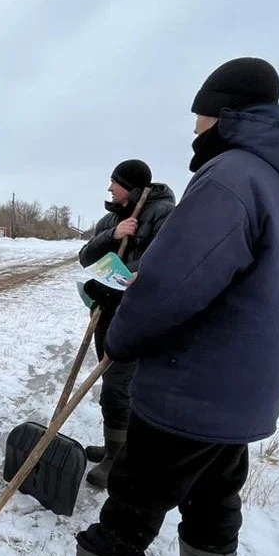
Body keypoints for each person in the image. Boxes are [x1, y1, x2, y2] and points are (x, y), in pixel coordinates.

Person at [15, 57, 279, 556]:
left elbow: (173, 282)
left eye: (201, 115)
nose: (195, 128)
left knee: (136, 492)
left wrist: (125, 333)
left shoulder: (232, 179)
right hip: (247, 385)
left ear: (226, 114)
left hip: (194, 384)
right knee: (214, 490)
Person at [77, 159, 175, 488]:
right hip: (106, 310)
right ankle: (113, 445)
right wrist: (113, 234)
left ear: (132, 189)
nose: (109, 188)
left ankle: (119, 458)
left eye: (114, 183)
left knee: (118, 385)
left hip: (136, 314)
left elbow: (165, 261)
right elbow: (86, 257)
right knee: (110, 381)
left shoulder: (161, 213)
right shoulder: (112, 218)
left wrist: (136, 274)